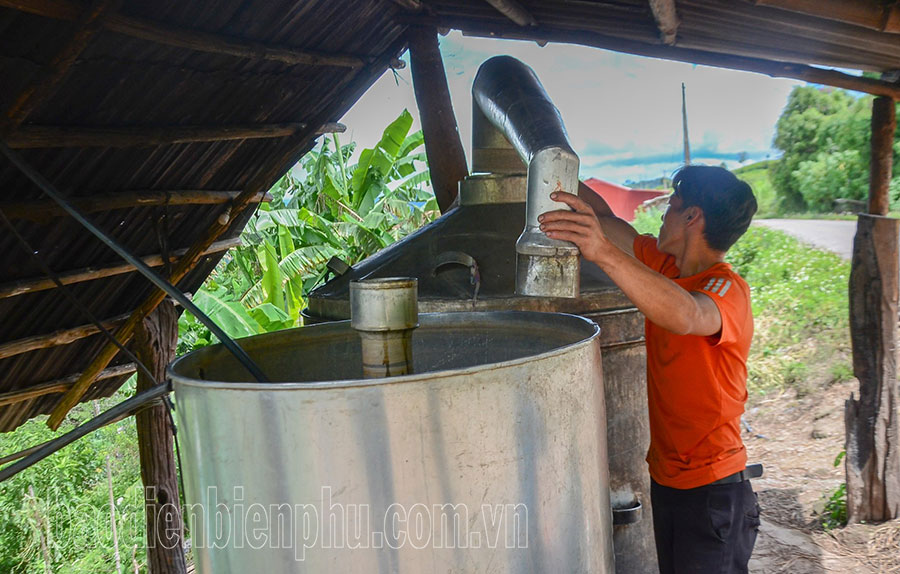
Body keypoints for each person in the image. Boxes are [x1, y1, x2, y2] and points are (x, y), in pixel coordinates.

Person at [539, 165, 761, 573]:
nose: (661, 216)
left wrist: (602, 252)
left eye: (670, 207)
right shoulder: (665, 268)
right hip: (669, 481)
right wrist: (549, 169)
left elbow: (689, 314)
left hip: (713, 490)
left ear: (692, 217)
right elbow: (606, 222)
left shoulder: (726, 289)